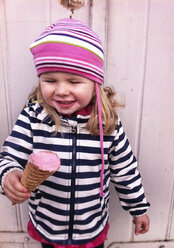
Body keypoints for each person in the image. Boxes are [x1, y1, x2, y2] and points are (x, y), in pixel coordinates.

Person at [0, 18, 150, 248]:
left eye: (74, 81)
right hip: (48, 224)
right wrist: (9, 175)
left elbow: (125, 171)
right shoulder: (34, 117)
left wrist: (138, 209)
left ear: (95, 83)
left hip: (92, 227)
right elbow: (9, 156)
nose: (61, 91)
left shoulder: (107, 124)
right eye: (50, 80)